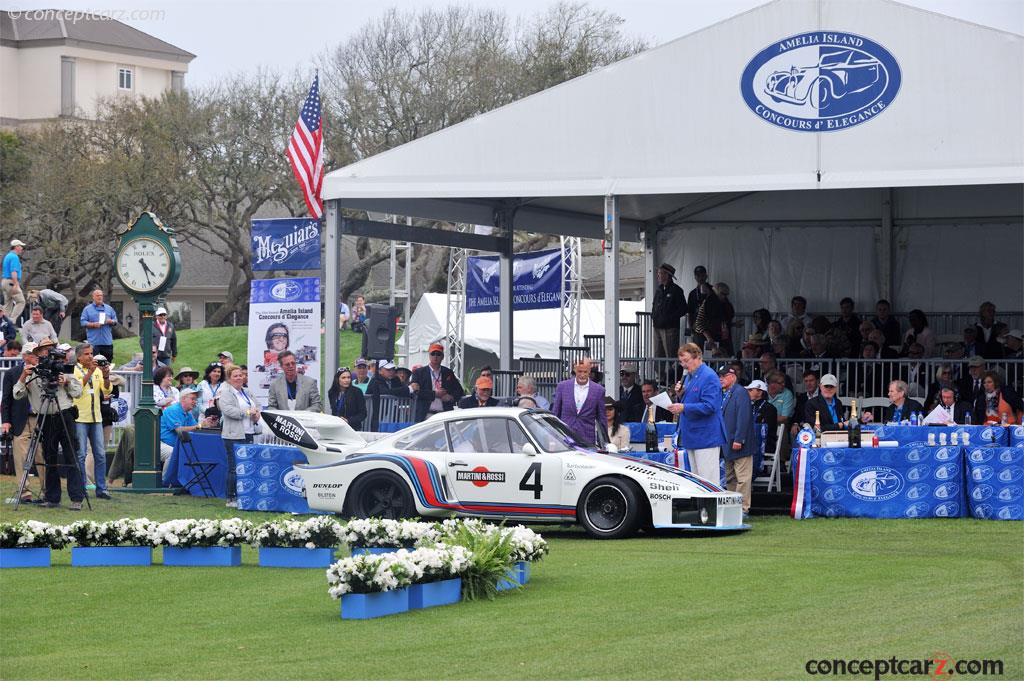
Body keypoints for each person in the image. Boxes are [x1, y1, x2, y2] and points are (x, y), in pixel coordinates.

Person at [12, 338, 85, 509]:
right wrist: (24, 376)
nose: (47, 352)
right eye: (43, 349)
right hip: (45, 417)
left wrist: (66, 381)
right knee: (49, 458)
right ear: (37, 353)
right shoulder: (33, 372)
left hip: (64, 415)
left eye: (50, 349)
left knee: (71, 456)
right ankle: (52, 498)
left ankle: (76, 499)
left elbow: (78, 392)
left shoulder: (62, 370)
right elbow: (17, 394)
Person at [667, 343, 725, 485]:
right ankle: (702, 508)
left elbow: (710, 406)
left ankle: (710, 507)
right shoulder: (690, 376)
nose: (684, 365)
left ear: (698, 357)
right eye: (681, 362)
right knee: (698, 481)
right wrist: (680, 395)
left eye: (686, 361)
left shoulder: (709, 376)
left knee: (708, 480)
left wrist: (683, 407)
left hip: (706, 435)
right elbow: (691, 399)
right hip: (693, 434)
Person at [2, 342, 45, 502]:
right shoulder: (12, 373)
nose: (35, 356)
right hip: (19, 420)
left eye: (36, 353)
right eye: (31, 353)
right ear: (24, 356)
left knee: (42, 455)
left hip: (40, 419)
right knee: (21, 458)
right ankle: (24, 492)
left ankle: (46, 491)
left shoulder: (44, 371)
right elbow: (5, 400)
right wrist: (5, 421)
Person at [72, 342, 112, 499]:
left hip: (96, 417)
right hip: (80, 417)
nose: (91, 356)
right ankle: (81, 488)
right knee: (81, 454)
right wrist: (90, 372)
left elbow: (106, 389)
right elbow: (76, 388)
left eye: (91, 353)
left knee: (100, 454)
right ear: (79, 356)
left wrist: (106, 375)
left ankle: (101, 489)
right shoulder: (74, 370)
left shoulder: (97, 371)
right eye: (87, 354)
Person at [219, 366, 262, 506]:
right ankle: (231, 498)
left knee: (247, 466)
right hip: (233, 435)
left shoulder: (247, 392)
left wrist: (256, 413)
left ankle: (245, 495)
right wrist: (248, 412)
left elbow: (258, 406)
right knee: (235, 467)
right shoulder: (225, 394)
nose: (239, 378)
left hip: (249, 433)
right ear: (229, 379)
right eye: (235, 376)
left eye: (241, 375)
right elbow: (229, 411)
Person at [719, 366, 755, 514]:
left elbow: (744, 417)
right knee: (730, 477)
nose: (720, 378)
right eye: (719, 376)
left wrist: (739, 438)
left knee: (742, 478)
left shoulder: (740, 392)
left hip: (739, 443)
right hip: (727, 443)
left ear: (733, 377)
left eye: (724, 376)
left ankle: (743, 508)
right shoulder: (727, 393)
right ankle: (733, 507)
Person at [159, 387, 217, 475]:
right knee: (172, 453)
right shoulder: (173, 409)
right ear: (183, 399)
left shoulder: (188, 413)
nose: (195, 402)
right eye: (192, 399)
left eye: (196, 399)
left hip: (178, 445)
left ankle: (187, 481)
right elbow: (179, 430)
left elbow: (195, 430)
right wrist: (200, 426)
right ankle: (165, 482)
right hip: (160, 444)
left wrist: (207, 425)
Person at [551, 357, 606, 445]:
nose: (582, 375)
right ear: (575, 371)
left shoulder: (599, 390)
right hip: (564, 437)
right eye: (580, 371)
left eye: (585, 372)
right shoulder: (562, 386)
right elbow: (555, 413)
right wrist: (552, 437)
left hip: (587, 438)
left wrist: (604, 441)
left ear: (589, 372)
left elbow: (601, 418)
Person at [408, 343, 464, 422]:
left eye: (438, 354)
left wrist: (451, 397)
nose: (435, 356)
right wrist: (434, 394)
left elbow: (460, 391)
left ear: (442, 357)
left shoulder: (448, 372)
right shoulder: (419, 372)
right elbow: (415, 392)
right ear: (429, 356)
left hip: (444, 414)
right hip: (426, 414)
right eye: (433, 354)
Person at [651, 263, 685, 361]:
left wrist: (669, 319)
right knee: (658, 355)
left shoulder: (676, 290)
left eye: (660, 273)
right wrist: (654, 316)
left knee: (671, 355)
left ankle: (672, 376)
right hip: (657, 327)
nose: (658, 275)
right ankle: (660, 376)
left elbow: (683, 309)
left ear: (667, 275)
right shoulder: (659, 289)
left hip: (670, 328)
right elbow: (654, 305)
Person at [80, 288, 118, 361]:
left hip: (107, 342)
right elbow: (83, 322)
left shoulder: (109, 308)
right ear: (93, 297)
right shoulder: (87, 309)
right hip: (93, 343)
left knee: (107, 364)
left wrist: (111, 321)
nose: (99, 297)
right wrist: (93, 324)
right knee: (93, 363)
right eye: (97, 295)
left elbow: (115, 321)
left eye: (101, 295)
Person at [685, 266, 715, 347]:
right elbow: (690, 312)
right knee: (698, 352)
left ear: (706, 276)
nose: (700, 278)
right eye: (698, 275)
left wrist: (709, 294)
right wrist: (691, 327)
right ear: (695, 277)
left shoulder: (713, 290)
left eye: (702, 275)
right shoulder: (692, 293)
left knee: (712, 353)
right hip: (698, 328)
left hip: (711, 328)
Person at [2, 239, 26, 323]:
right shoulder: (14, 257)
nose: (22, 248)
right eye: (21, 246)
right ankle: (11, 320)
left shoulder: (8, 256)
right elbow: (13, 271)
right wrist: (16, 284)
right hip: (11, 282)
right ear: (16, 247)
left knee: (8, 304)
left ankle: (3, 322)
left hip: (4, 282)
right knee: (21, 301)